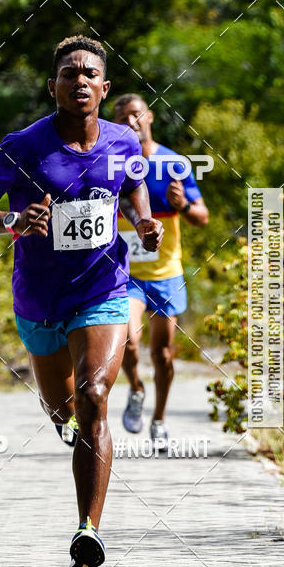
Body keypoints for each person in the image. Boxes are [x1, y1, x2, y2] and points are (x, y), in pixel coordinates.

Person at [0, 37, 163, 567]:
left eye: (90, 73)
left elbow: (134, 186)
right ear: (53, 86)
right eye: (69, 73)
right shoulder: (22, 146)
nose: (80, 81)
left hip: (103, 290)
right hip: (39, 299)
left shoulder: (122, 141)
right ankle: (67, 422)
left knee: (95, 396)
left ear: (104, 87)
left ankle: (87, 531)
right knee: (64, 409)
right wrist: (10, 221)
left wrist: (142, 220)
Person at [113, 94, 209, 448]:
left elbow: (202, 217)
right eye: (122, 118)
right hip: (126, 274)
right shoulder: (111, 164)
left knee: (163, 354)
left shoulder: (173, 163)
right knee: (127, 341)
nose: (130, 122)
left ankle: (159, 419)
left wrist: (182, 205)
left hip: (166, 272)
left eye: (136, 115)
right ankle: (136, 388)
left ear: (149, 116)